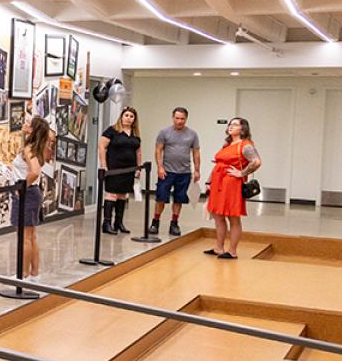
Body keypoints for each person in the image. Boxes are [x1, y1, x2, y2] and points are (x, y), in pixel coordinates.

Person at [205, 116, 261, 259]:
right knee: (218, 216)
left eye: (235, 124)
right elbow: (218, 164)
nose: (230, 126)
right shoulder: (227, 144)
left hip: (231, 184)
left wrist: (241, 173)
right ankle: (218, 247)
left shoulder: (245, 145)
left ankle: (232, 251)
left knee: (233, 217)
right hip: (218, 181)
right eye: (230, 124)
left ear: (243, 129)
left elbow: (256, 161)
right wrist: (209, 181)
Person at [11, 115, 51, 280]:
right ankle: (34, 273)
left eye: (29, 123)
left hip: (26, 194)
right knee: (31, 235)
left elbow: (34, 171)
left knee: (25, 237)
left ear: (33, 129)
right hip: (32, 193)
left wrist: (22, 187)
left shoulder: (30, 149)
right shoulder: (37, 147)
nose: (25, 124)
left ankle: (24, 274)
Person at [151, 107, 201, 237]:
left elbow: (196, 152)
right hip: (167, 171)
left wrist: (197, 170)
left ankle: (174, 223)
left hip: (184, 172)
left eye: (182, 119)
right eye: (177, 118)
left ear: (186, 119)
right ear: (173, 118)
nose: (179, 121)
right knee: (161, 197)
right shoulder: (164, 132)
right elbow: (158, 150)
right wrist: (160, 167)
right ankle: (155, 221)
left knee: (179, 199)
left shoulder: (192, 134)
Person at [99, 107, 141, 235]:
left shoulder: (135, 134)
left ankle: (119, 222)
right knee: (112, 194)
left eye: (131, 116)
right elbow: (101, 146)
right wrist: (103, 164)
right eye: (126, 115)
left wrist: (138, 167)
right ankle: (106, 223)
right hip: (114, 168)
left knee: (123, 195)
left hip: (129, 169)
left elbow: (138, 151)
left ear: (134, 119)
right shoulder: (112, 130)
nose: (128, 118)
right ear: (121, 117)